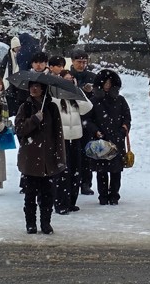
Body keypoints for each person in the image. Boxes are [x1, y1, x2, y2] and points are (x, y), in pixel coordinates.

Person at [16, 81, 66, 234]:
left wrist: (59, 155)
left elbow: (58, 133)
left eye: (37, 86)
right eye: (32, 86)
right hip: (30, 157)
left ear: (44, 89)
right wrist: (34, 120)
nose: (34, 89)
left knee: (47, 195)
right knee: (30, 194)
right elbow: (19, 129)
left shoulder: (51, 107)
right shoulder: (25, 107)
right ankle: (30, 223)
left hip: (48, 158)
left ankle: (46, 222)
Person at [52, 69, 92, 214]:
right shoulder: (55, 96)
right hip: (61, 138)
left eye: (71, 79)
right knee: (62, 172)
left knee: (75, 170)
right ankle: (60, 202)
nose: (69, 81)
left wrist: (78, 91)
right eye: (66, 79)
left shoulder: (75, 96)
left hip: (75, 137)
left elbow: (87, 108)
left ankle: (71, 201)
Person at [89, 69, 130, 206]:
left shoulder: (120, 100)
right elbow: (88, 120)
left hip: (116, 139)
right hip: (101, 140)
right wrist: (96, 132)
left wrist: (122, 131)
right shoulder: (94, 100)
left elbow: (127, 117)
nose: (107, 84)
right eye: (105, 82)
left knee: (116, 170)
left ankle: (114, 195)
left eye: (109, 82)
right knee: (101, 171)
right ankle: (103, 195)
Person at [69, 50, 97, 195]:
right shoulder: (67, 77)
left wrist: (91, 92)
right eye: (79, 62)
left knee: (87, 153)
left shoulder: (92, 77)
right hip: (71, 119)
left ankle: (86, 182)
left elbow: (97, 100)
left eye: (84, 62)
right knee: (71, 154)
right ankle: (72, 180)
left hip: (87, 120)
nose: (81, 65)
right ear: (72, 61)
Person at [3, 31, 39, 115]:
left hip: (20, 82)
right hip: (25, 81)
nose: (18, 49)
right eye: (16, 47)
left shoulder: (22, 53)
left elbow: (21, 67)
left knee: (20, 102)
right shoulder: (34, 49)